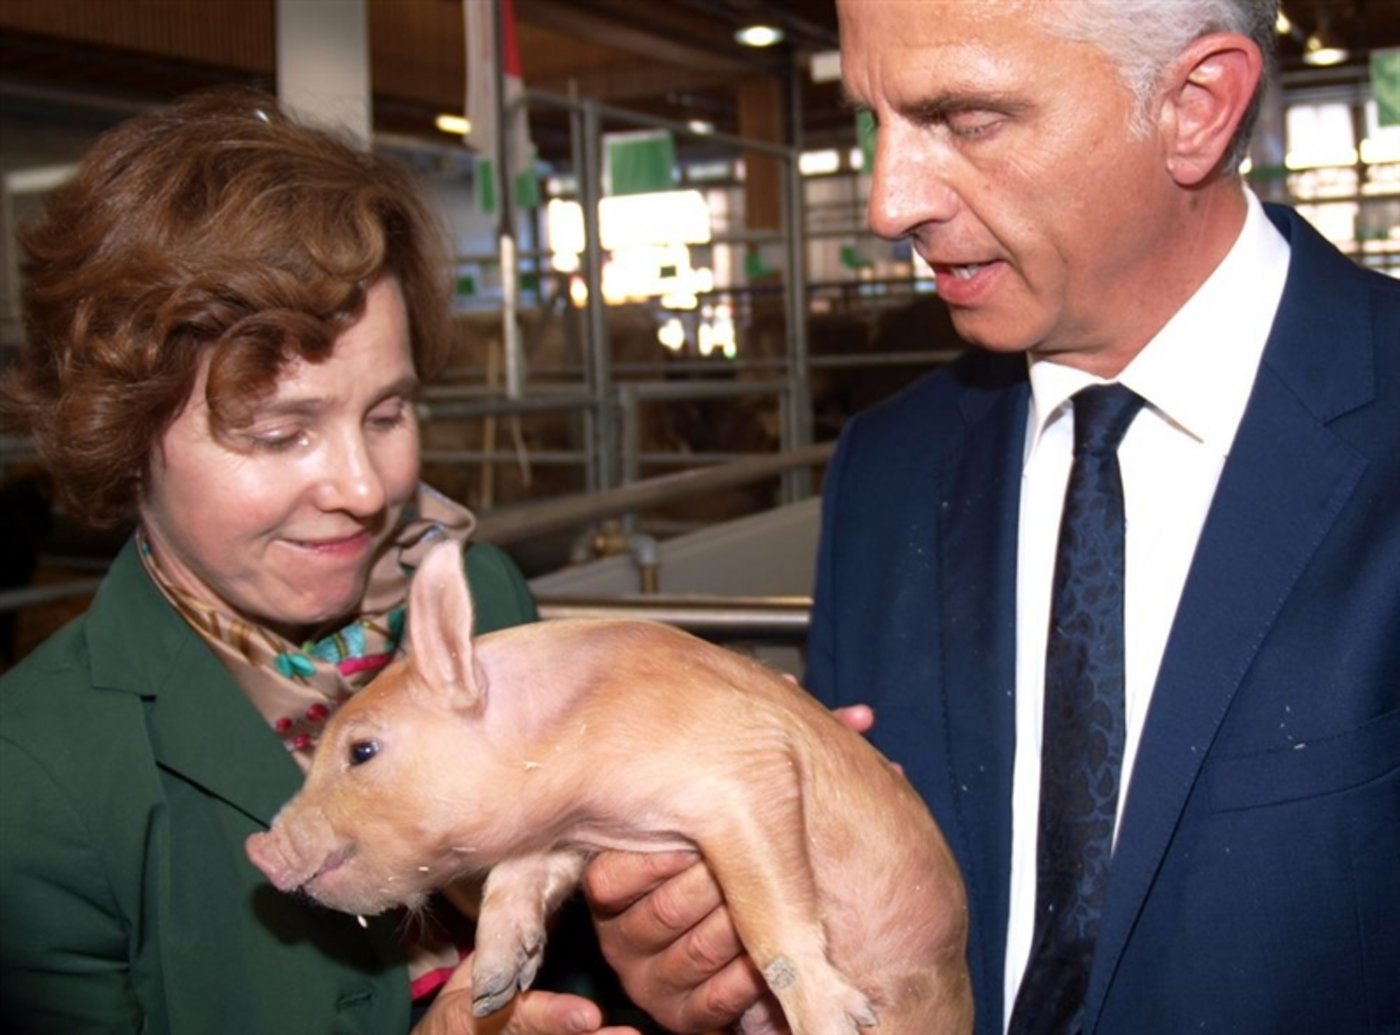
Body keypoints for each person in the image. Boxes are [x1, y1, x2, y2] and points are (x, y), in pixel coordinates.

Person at [583, 0, 1400, 1032]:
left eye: (965, 121)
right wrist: (728, 974)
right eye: (872, 120)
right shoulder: (887, 470)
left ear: (1193, 108)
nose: (886, 202)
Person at [0, 90, 638, 1035]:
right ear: (127, 438)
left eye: (386, 414)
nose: (363, 487)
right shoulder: (37, 785)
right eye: (276, 433)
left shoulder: (480, 597)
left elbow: (583, 936)